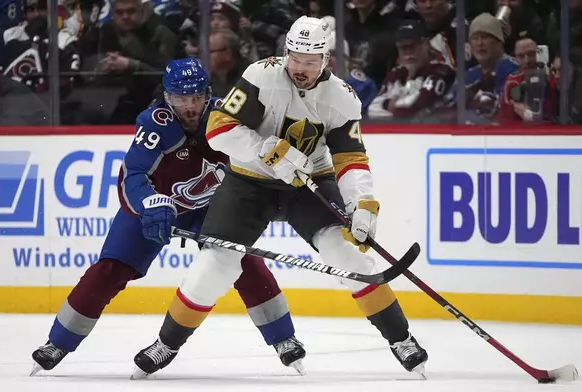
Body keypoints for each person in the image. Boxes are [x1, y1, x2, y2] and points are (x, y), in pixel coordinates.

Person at [131, 16, 428, 380]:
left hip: (308, 183)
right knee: (213, 268)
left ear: (325, 60)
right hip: (248, 184)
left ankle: (402, 339)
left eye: (309, 60)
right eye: (294, 57)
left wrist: (362, 204)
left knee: (348, 255)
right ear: (285, 52)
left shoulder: (342, 98)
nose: (300, 68)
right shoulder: (261, 76)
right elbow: (218, 129)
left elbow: (350, 159)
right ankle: (167, 344)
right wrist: (264, 148)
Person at [30, 58, 306, 376]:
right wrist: (150, 204)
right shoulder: (154, 124)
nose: (190, 106)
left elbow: (257, 158)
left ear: (208, 94)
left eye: (197, 96)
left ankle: (284, 339)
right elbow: (132, 174)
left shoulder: (226, 117)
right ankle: (58, 342)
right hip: (157, 209)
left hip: (210, 210)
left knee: (243, 262)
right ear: (166, 97)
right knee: (108, 271)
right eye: (180, 97)